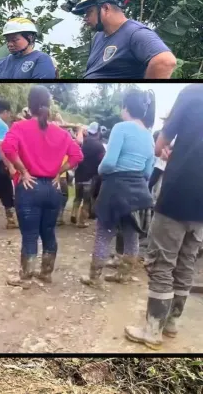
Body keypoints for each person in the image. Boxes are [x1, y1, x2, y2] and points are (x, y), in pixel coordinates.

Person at [124, 84, 203, 349]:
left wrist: (167, 151)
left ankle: (153, 329)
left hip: (180, 190)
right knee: (187, 260)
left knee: (163, 262)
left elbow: (160, 145)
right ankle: (171, 324)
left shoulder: (193, 93)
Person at [1, 86, 83, 289]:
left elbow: (7, 147)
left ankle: (26, 278)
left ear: (30, 105)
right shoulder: (61, 133)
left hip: (29, 186)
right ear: (48, 105)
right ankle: (46, 274)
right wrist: (58, 171)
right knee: (48, 232)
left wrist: (23, 170)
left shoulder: (20, 127)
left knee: (29, 235)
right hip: (53, 189)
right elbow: (77, 156)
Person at [80, 89, 156, 290]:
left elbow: (109, 163)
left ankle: (95, 278)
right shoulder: (149, 136)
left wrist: (100, 170)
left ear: (126, 107)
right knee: (132, 236)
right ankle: (124, 275)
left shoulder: (121, 128)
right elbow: (148, 171)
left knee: (104, 233)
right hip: (139, 192)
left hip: (115, 189)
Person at [69, 0, 176, 79]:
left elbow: (165, 61)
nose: (85, 18)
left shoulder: (136, 33)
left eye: (89, 12)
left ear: (106, 8)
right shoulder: (98, 37)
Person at [0, 18, 56, 95]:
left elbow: (40, 90)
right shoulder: (0, 64)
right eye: (8, 40)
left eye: (14, 40)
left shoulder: (40, 59)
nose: (9, 44)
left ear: (30, 37)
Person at [70, 122, 106, 228]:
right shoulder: (99, 146)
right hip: (90, 177)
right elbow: (103, 161)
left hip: (78, 175)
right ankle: (82, 221)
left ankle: (73, 214)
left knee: (77, 197)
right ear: (98, 132)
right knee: (86, 200)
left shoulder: (82, 142)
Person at [0, 98, 18, 229]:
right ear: (6, 111)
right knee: (7, 192)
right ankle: (11, 220)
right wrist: (11, 166)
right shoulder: (1, 125)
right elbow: (1, 148)